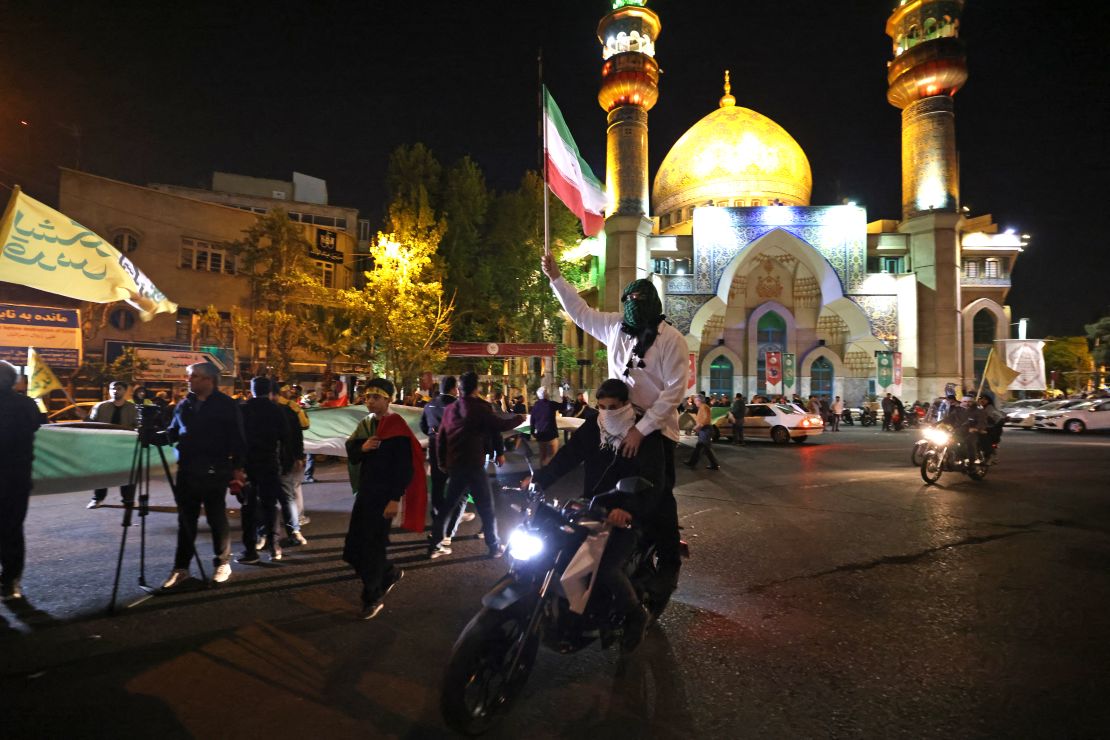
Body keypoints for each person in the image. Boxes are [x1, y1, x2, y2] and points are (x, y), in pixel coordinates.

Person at [543, 253, 687, 602]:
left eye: (641, 301)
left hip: (653, 427)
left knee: (659, 492)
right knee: (592, 469)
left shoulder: (671, 340)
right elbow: (580, 313)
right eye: (630, 301)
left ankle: (667, 562)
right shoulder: (615, 327)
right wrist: (556, 278)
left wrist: (644, 428)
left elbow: (675, 390)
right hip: (613, 413)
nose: (634, 307)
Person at [526, 378, 661, 652]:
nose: (607, 412)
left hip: (626, 517)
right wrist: (538, 480)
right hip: (592, 509)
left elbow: (653, 479)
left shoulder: (644, 434)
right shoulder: (593, 428)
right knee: (555, 551)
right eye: (601, 406)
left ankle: (636, 615)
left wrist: (628, 509)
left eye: (612, 406)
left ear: (626, 405)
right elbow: (567, 457)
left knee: (607, 569)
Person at [161, 362, 247, 588]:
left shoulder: (226, 406)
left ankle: (222, 562)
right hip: (187, 469)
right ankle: (181, 568)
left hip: (215, 468)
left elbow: (238, 438)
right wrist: (151, 435)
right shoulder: (183, 405)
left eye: (193, 376)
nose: (188, 380)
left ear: (208, 380)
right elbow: (172, 433)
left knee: (215, 516)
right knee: (185, 520)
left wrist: (237, 468)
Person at [344, 378, 423, 619]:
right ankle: (388, 573)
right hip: (366, 494)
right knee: (353, 548)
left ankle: (372, 597)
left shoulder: (397, 427)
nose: (370, 401)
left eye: (375, 397)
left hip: (383, 498)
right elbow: (353, 453)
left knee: (372, 547)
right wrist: (363, 448)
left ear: (388, 399)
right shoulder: (367, 425)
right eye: (367, 397)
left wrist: (395, 498)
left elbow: (404, 468)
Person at [432, 372, 525, 559]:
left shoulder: (451, 409)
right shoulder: (481, 407)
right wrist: (519, 419)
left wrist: (442, 462)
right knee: (486, 507)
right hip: (474, 465)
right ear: (476, 388)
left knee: (448, 505)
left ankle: (434, 543)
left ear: (459, 389)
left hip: (455, 465)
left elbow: (441, 437)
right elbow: (498, 426)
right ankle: (493, 545)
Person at [0, 361, 43, 601]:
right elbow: (37, 424)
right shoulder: (26, 405)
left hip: (12, 477)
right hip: (17, 479)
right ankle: (10, 582)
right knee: (12, 531)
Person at [236, 377, 289, 564]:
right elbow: (285, 437)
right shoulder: (277, 410)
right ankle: (274, 546)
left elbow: (237, 437)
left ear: (252, 389)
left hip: (248, 464)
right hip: (269, 462)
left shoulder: (243, 409)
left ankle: (250, 550)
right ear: (270, 390)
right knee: (269, 505)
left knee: (248, 507)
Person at [420, 376, 462, 552]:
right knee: (459, 492)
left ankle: (437, 524)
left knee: (437, 490)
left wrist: (432, 435)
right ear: (454, 389)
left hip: (435, 451)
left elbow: (423, 426)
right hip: (454, 454)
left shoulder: (429, 405)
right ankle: (447, 532)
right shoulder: (458, 406)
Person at [86, 380, 139, 509]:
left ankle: (128, 500)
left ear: (125, 391)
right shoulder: (100, 407)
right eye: (112, 389)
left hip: (125, 448)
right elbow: (91, 424)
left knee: (127, 474)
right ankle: (97, 499)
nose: (115, 391)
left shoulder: (132, 409)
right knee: (101, 473)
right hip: (104, 447)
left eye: (119, 388)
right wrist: (85, 418)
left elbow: (137, 426)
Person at [684, 393, 720, 470]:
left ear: (699, 400)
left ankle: (714, 464)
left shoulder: (704, 407)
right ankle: (692, 462)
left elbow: (705, 420)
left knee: (706, 448)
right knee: (701, 447)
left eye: (695, 401)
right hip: (705, 430)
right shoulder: (702, 407)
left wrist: (696, 428)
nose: (695, 402)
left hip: (706, 430)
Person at [530, 385, 561, 466]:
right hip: (551, 434)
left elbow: (532, 420)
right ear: (544, 394)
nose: (548, 393)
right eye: (546, 392)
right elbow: (563, 406)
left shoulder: (535, 406)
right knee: (553, 455)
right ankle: (549, 471)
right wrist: (562, 394)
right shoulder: (551, 404)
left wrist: (533, 433)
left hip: (540, 434)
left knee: (542, 455)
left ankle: (542, 471)